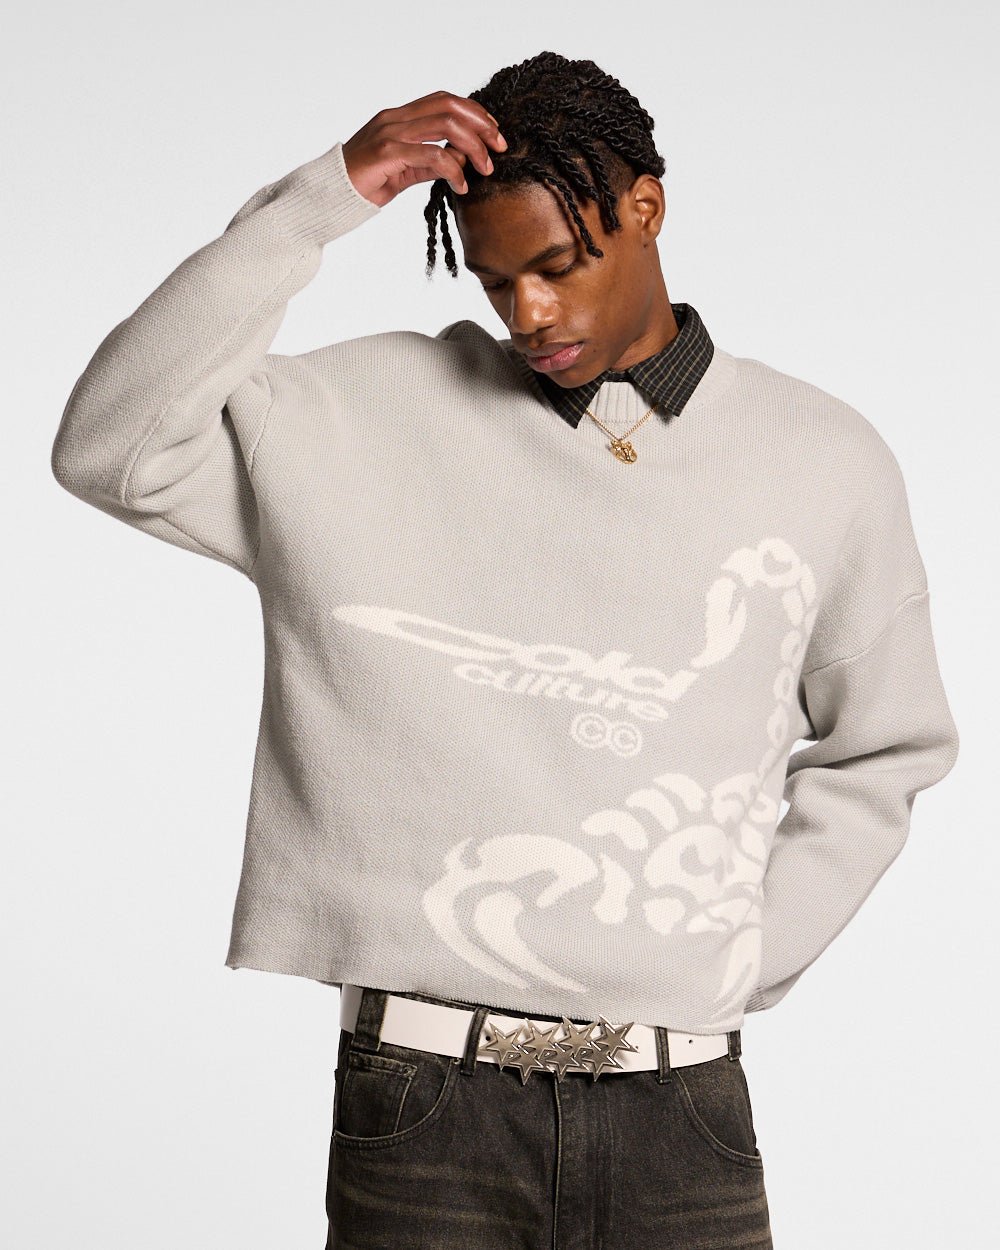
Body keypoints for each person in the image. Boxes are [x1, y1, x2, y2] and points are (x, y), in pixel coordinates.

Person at [51, 50, 959, 1250]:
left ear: (645, 208)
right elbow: (111, 447)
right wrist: (322, 200)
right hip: (427, 1104)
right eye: (494, 281)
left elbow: (886, 744)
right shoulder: (363, 417)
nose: (527, 313)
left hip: (680, 1104)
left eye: (558, 265)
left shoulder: (821, 459)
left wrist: (744, 950)